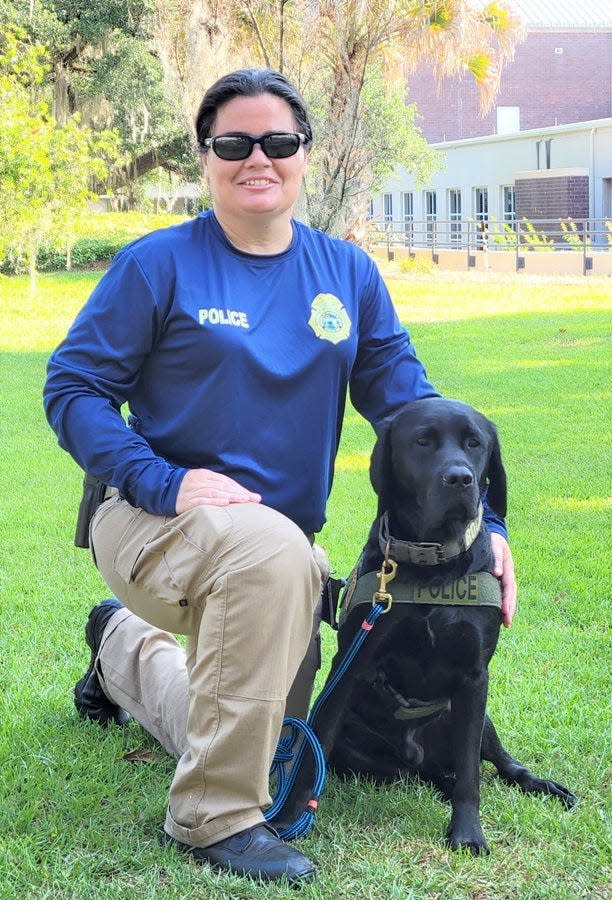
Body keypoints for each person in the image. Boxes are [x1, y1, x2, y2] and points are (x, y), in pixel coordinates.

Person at [44, 68, 516, 886]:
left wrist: (493, 527)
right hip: (150, 517)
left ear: (303, 154)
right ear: (207, 158)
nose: (256, 156)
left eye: (278, 141)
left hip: (276, 560)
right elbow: (73, 388)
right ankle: (212, 819)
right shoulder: (158, 265)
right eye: (233, 142)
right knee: (274, 565)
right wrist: (162, 479)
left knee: (257, 725)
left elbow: (413, 405)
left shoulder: (346, 274)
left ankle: (119, 649)